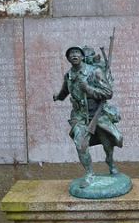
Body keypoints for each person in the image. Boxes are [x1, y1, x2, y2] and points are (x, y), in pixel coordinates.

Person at [53, 46, 123, 186]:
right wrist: (58, 97)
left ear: (82, 56)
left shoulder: (94, 71)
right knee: (81, 145)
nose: (74, 55)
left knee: (108, 141)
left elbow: (108, 93)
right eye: (71, 54)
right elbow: (64, 91)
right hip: (80, 117)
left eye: (77, 53)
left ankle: (110, 161)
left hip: (98, 113)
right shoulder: (69, 76)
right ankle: (89, 173)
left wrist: (88, 89)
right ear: (67, 58)